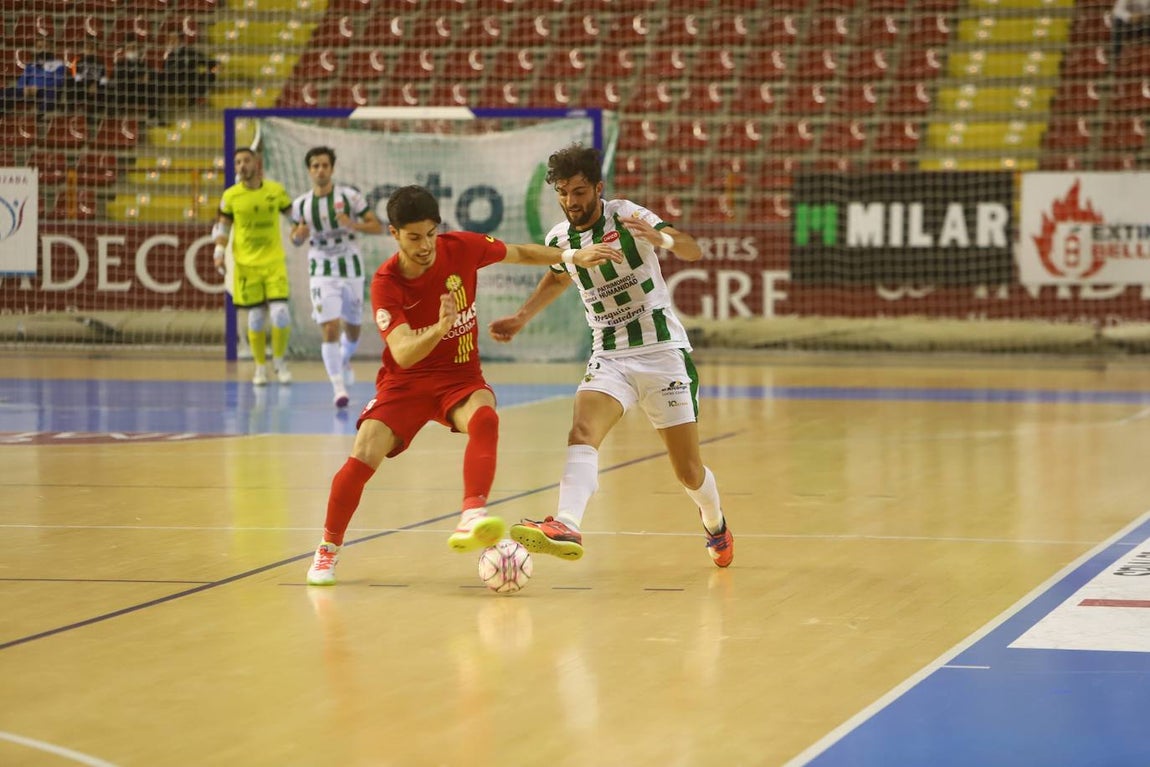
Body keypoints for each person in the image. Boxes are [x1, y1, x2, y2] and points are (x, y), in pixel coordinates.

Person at [305, 185, 621, 585]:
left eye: (431, 233)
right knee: (363, 455)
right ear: (394, 234)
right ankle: (327, 550)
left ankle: (472, 513)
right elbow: (403, 353)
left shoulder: (461, 248)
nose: (425, 245)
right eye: (414, 237)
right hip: (406, 384)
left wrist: (571, 256)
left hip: (460, 377)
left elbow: (521, 252)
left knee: (486, 416)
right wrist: (440, 327)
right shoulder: (387, 282)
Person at [488, 143, 734, 568]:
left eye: (579, 191)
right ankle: (566, 522)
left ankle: (715, 523)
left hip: (662, 354)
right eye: (562, 193)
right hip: (610, 354)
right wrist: (521, 317)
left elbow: (693, 249)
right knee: (582, 431)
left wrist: (664, 238)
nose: (570, 202)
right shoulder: (560, 238)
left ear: (598, 188)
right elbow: (558, 276)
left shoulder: (626, 216)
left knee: (688, 471)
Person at [288, 146, 383, 408]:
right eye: (315, 166)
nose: (320, 170)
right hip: (321, 269)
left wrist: (353, 224)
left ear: (332, 168)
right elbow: (295, 238)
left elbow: (376, 225)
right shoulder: (301, 205)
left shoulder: (350, 197)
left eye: (324, 165)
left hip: (350, 267)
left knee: (352, 329)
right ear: (309, 170)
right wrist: (299, 235)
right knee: (329, 326)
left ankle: (343, 357)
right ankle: (338, 387)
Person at [213, 147, 295, 386]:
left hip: (273, 263)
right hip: (246, 266)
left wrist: (299, 231)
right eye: (237, 162)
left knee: (280, 314)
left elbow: (295, 219)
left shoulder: (275, 191)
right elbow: (223, 227)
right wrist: (219, 253)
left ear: (256, 163)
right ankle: (260, 367)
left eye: (245, 161)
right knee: (256, 318)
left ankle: (279, 362)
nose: (241, 166)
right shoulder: (231, 196)